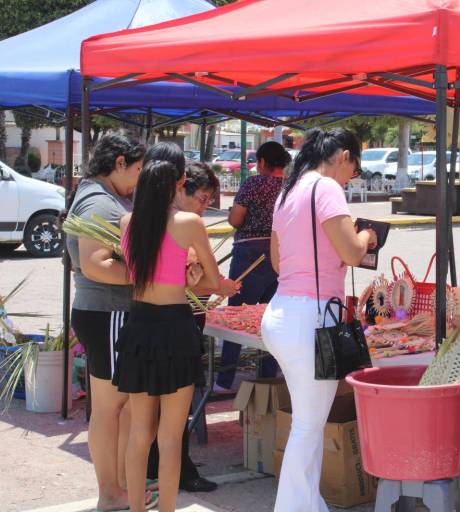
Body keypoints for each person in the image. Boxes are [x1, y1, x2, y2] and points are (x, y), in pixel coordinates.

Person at [261, 128, 376, 512]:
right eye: (353, 170)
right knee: (308, 426)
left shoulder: (289, 191)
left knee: (306, 422)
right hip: (309, 319)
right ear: (343, 156)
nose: (350, 178)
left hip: (282, 313)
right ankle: (293, 507)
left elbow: (278, 262)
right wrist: (367, 237)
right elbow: (351, 251)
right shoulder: (326, 189)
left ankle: (308, 503)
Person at [115, 159, 223, 512]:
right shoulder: (189, 223)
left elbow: (139, 273)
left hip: (139, 326)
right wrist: (191, 278)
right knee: (171, 437)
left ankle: (136, 508)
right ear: (177, 184)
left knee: (139, 433)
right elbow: (212, 282)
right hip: (176, 327)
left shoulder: (128, 222)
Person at [65, 132, 157, 512]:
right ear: (119, 162)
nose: (139, 178)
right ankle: (112, 492)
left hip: (105, 313)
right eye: (137, 169)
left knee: (119, 407)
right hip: (108, 312)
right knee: (111, 408)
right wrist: (150, 275)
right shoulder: (99, 203)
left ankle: (119, 486)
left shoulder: (104, 196)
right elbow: (94, 264)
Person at [140, 145, 236, 494]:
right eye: (203, 197)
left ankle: (149, 483)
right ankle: (173, 474)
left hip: (148, 325)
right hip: (172, 324)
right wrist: (213, 283)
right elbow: (198, 280)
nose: (205, 205)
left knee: (150, 418)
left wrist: (203, 283)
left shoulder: (140, 220)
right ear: (179, 187)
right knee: (169, 417)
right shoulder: (182, 225)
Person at [214, 141, 292, 393]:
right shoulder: (290, 187)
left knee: (235, 314)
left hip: (250, 251)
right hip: (280, 253)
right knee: (271, 315)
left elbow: (236, 219)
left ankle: (225, 379)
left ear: (261, 162)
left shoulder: (254, 183)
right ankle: (268, 376)